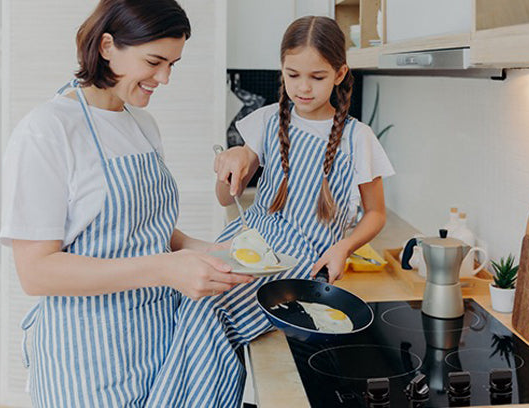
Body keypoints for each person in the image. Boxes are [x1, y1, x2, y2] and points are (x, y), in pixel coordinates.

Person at [0, 1, 253, 406]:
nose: (165, 78)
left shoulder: (142, 124)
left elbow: (146, 230)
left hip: (157, 344)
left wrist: (219, 254)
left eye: (173, 64)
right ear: (105, 46)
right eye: (154, 61)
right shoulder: (48, 131)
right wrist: (166, 269)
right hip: (87, 363)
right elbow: (37, 272)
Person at [151, 16, 395, 407]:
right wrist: (227, 167)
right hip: (247, 247)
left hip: (298, 264)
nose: (302, 87)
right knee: (189, 299)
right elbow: (224, 199)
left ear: (340, 73)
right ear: (281, 68)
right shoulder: (264, 121)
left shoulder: (357, 138)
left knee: (207, 311)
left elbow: (376, 214)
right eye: (292, 74)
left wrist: (344, 247)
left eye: (317, 77)